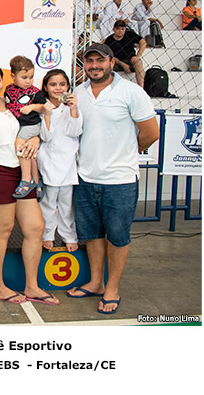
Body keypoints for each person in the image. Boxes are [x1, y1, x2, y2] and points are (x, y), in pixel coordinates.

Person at [67, 43, 159, 314]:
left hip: (120, 180)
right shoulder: (78, 93)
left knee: (117, 237)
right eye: (89, 61)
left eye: (100, 60)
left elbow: (151, 132)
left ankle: (112, 288)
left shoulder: (132, 92)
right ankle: (96, 282)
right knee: (93, 235)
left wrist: (127, 151)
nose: (94, 65)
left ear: (111, 62)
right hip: (85, 177)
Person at [0, 62, 59, 305]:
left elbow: (24, 130)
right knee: (3, 230)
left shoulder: (8, 103)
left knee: (35, 228)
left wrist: (35, 139)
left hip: (19, 171)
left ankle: (32, 286)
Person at [37, 69, 82, 252]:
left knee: (66, 206)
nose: (58, 88)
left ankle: (69, 235)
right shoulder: (42, 108)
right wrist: (47, 114)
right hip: (48, 162)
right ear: (45, 87)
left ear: (68, 87)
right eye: (53, 84)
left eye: (62, 84)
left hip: (68, 164)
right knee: (47, 204)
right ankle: (47, 234)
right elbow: (45, 136)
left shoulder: (72, 108)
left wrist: (73, 109)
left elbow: (75, 131)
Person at [4, 56, 46, 198]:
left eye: (31, 77)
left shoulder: (35, 92)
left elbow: (45, 107)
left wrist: (33, 107)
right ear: (13, 76)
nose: (28, 81)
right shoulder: (8, 90)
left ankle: (26, 179)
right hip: (18, 126)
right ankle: (37, 180)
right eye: (24, 77)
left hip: (31, 125)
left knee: (20, 145)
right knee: (30, 153)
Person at [103, 20, 146, 88]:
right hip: (117, 62)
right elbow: (111, 56)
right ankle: (110, 87)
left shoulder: (129, 34)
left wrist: (138, 56)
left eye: (122, 29)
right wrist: (123, 65)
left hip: (130, 60)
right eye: (118, 29)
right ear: (114, 29)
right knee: (108, 65)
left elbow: (143, 42)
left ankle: (141, 87)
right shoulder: (109, 40)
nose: (120, 31)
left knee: (138, 62)